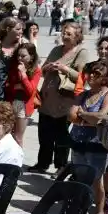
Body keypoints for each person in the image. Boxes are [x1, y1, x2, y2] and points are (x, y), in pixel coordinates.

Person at [69, 62, 108, 214]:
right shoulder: (83, 95)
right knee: (79, 176)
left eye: (96, 74)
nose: (91, 76)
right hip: (78, 141)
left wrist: (82, 115)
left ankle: (99, 211)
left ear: (105, 78)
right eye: (90, 72)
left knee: (96, 180)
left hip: (97, 144)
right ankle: (80, 208)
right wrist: (88, 118)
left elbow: (102, 118)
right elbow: (71, 115)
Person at [35, 21, 89, 172]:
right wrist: (49, 67)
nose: (65, 36)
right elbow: (43, 70)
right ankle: (42, 163)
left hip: (65, 100)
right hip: (48, 98)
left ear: (77, 36)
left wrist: (64, 68)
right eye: (64, 33)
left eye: (69, 34)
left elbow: (81, 76)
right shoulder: (57, 49)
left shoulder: (81, 52)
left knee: (61, 137)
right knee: (44, 134)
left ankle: (61, 166)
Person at [3, 42, 41, 145]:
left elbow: (30, 91)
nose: (20, 58)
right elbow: (6, 86)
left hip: (24, 106)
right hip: (10, 102)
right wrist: (16, 86)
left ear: (31, 56)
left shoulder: (36, 70)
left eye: (23, 56)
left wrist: (23, 74)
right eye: (18, 55)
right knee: (7, 134)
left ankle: (17, 160)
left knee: (18, 137)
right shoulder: (13, 67)